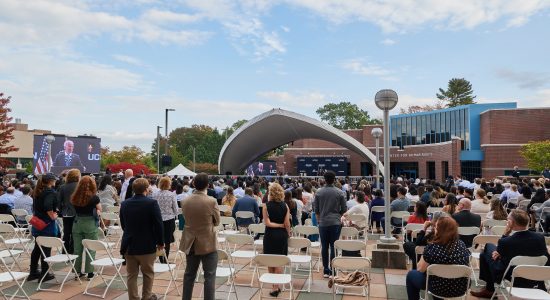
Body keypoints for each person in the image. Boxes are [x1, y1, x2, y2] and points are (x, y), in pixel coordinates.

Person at [471, 209, 550, 298]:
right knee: (486, 252)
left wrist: (505, 234)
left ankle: (489, 289)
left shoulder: (506, 241)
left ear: (511, 222)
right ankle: (489, 289)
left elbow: (500, 253)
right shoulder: (540, 237)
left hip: (511, 274)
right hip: (535, 273)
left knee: (486, 250)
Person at [120, 178, 164, 300]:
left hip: (130, 243)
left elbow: (124, 225)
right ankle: (146, 297)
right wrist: (160, 242)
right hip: (147, 244)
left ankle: (133, 298)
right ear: (146, 189)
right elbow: (158, 224)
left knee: (131, 275)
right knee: (148, 274)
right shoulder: (152, 203)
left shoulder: (125, 204)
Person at [406, 216, 470, 300]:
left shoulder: (432, 248)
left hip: (437, 288)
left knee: (411, 275)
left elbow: (420, 269)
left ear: (439, 230)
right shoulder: (462, 245)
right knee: (439, 278)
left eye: (436, 227)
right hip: (460, 288)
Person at [180, 173, 220, 300]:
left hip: (190, 240)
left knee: (189, 275)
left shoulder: (185, 201)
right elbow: (217, 221)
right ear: (208, 185)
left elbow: (186, 218)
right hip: (208, 241)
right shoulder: (211, 201)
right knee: (209, 276)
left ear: (193, 184)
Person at [313, 171, 346, 278]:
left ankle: (326, 270)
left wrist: (319, 220)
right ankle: (333, 270)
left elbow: (316, 210)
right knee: (333, 246)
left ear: (324, 179)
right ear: (334, 179)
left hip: (323, 222)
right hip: (335, 222)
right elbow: (344, 209)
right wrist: (337, 215)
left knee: (324, 246)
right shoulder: (340, 192)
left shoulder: (318, 192)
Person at [28, 174, 59, 282]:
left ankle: (33, 272)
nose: (55, 181)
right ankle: (44, 274)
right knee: (46, 249)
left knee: (37, 248)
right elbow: (48, 206)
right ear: (50, 181)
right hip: (46, 224)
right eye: (54, 180)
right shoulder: (49, 192)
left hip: (37, 223)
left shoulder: (38, 191)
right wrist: (53, 216)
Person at [262, 182, 291, 297]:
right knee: (279, 261)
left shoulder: (266, 206)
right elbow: (287, 224)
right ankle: (277, 286)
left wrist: (277, 225)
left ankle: (273, 286)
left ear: (270, 193)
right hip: (281, 235)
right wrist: (287, 232)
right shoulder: (285, 206)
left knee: (270, 260)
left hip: (269, 235)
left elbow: (267, 223)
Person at [71, 175, 101, 279]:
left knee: (77, 249)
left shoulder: (74, 197)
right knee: (91, 248)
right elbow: (99, 209)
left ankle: (77, 272)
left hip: (77, 222)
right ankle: (90, 272)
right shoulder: (94, 198)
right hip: (90, 223)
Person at [152, 177, 179, 264]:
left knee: (159, 239)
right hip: (169, 219)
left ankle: (160, 258)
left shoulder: (155, 194)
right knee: (167, 240)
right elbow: (176, 209)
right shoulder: (171, 195)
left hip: (157, 219)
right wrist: (175, 214)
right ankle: (165, 259)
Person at [57, 168, 80, 254]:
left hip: (66, 213)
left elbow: (59, 201)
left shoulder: (63, 187)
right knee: (75, 233)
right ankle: (72, 251)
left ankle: (64, 251)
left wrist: (61, 210)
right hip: (77, 212)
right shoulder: (79, 186)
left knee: (66, 233)